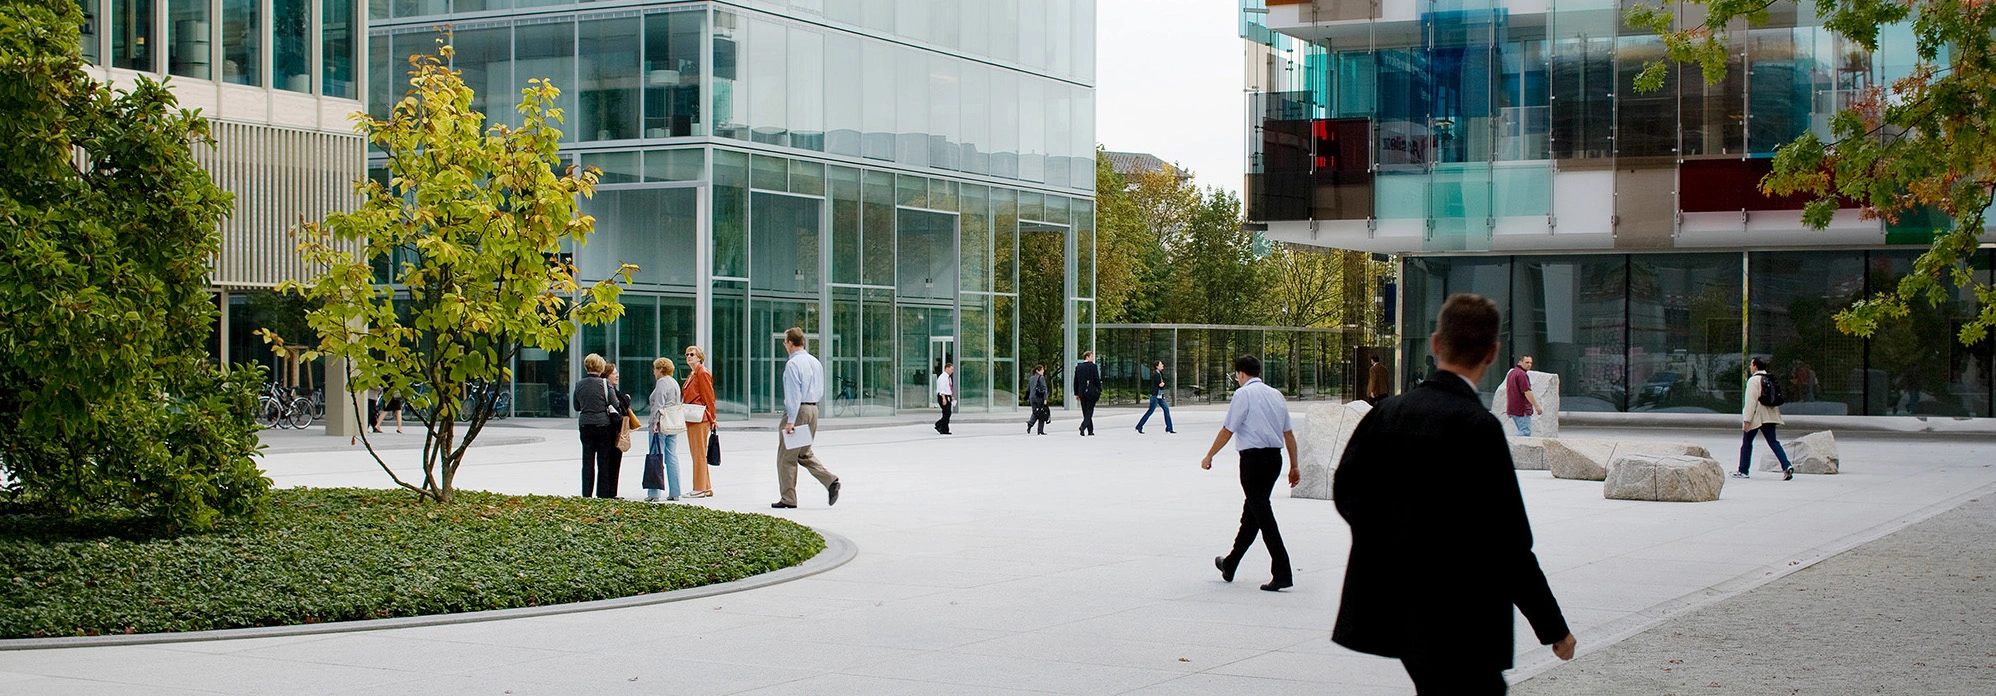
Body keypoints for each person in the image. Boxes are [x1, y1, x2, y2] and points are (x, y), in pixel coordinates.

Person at [1332, 293, 1576, 694]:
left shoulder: (1387, 413)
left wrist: (1394, 541)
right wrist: (1553, 627)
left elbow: (1348, 492)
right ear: (1493, 353)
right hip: (1463, 611)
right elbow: (1509, 541)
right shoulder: (1477, 427)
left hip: (1398, 604)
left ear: (1435, 343)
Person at [1200, 354, 1299, 592]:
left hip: (1253, 460)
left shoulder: (1243, 394)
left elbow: (1228, 429)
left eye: (1236, 375)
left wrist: (1209, 455)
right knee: (1253, 512)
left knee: (1262, 514)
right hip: (1274, 459)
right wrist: (1294, 465)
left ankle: (1282, 571)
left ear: (1241, 373)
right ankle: (1231, 563)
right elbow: (1289, 434)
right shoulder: (1276, 394)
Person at [774, 327, 841, 509]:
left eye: (784, 341)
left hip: (799, 411)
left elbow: (794, 394)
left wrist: (790, 421)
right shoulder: (814, 361)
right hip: (813, 409)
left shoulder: (793, 364)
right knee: (803, 453)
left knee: (786, 457)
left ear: (789, 343)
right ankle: (830, 480)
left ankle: (788, 498)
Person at [572, 354, 624, 498]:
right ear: (600, 367)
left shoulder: (579, 384)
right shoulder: (605, 384)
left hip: (585, 425)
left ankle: (586, 493)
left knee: (587, 460)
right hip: (603, 425)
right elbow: (615, 404)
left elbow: (576, 406)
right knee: (603, 461)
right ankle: (602, 494)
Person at [1741, 356, 1794, 481]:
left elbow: (1751, 402)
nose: (1750, 366)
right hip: (1770, 415)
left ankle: (1743, 470)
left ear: (1755, 366)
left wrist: (1747, 420)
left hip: (1757, 416)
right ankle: (1786, 465)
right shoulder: (1770, 379)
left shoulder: (1753, 381)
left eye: (1751, 364)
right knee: (1773, 442)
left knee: (1747, 443)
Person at [644, 357, 685, 502]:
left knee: (656, 455)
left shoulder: (662, 382)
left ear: (661, 369)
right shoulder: (674, 382)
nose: (654, 372)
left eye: (655, 368)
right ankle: (675, 491)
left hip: (661, 423)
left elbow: (658, 404)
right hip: (673, 423)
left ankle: (654, 492)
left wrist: (654, 422)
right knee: (671, 456)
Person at [681, 345, 716, 498]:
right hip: (694, 417)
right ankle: (705, 486)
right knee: (698, 452)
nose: (689, 357)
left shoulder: (702, 373)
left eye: (692, 354)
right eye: (687, 354)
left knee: (698, 453)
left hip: (699, 417)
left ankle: (699, 487)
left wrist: (712, 418)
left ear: (699, 357)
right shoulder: (693, 374)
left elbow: (709, 396)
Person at [1504, 355, 1542, 437]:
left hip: (1513, 408)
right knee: (1525, 432)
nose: (1529, 365)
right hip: (1521, 409)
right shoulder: (1522, 375)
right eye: (1527, 362)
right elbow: (1527, 392)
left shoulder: (1512, 373)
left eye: (1531, 363)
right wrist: (1537, 406)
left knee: (1522, 430)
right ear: (1520, 362)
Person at [1135, 360, 1176, 434]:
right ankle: (1139, 426)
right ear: (1157, 366)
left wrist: (1162, 384)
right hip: (1155, 396)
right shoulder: (1155, 374)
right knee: (1150, 411)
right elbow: (1160, 385)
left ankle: (1169, 428)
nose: (1162, 365)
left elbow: (1162, 384)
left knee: (1166, 409)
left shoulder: (1160, 373)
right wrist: (1162, 384)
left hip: (1160, 396)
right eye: (1161, 364)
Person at [1074, 351, 1102, 436]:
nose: (1093, 358)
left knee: (1085, 411)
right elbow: (1096, 379)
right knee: (1090, 410)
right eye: (1092, 356)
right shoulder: (1093, 367)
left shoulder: (1079, 367)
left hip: (1082, 392)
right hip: (1091, 391)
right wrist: (1099, 389)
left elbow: (1076, 381)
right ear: (1087, 357)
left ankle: (1090, 430)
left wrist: (1076, 393)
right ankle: (1083, 426)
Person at [1026, 364, 1051, 435]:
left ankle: (1030, 424)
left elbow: (1028, 389)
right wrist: (1045, 398)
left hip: (1032, 398)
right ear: (1038, 371)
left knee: (1035, 412)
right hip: (1039, 397)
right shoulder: (1041, 377)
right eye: (1042, 370)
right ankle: (1040, 430)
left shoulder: (1031, 378)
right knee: (1041, 413)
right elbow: (1044, 388)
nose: (1043, 371)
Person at [934, 360, 956, 435]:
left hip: (947, 396)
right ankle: (938, 424)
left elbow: (948, 388)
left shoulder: (948, 378)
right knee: (947, 412)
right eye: (951, 369)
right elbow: (942, 389)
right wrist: (943, 398)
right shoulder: (942, 378)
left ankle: (944, 429)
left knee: (946, 413)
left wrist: (951, 396)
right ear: (947, 368)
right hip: (943, 396)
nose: (952, 371)